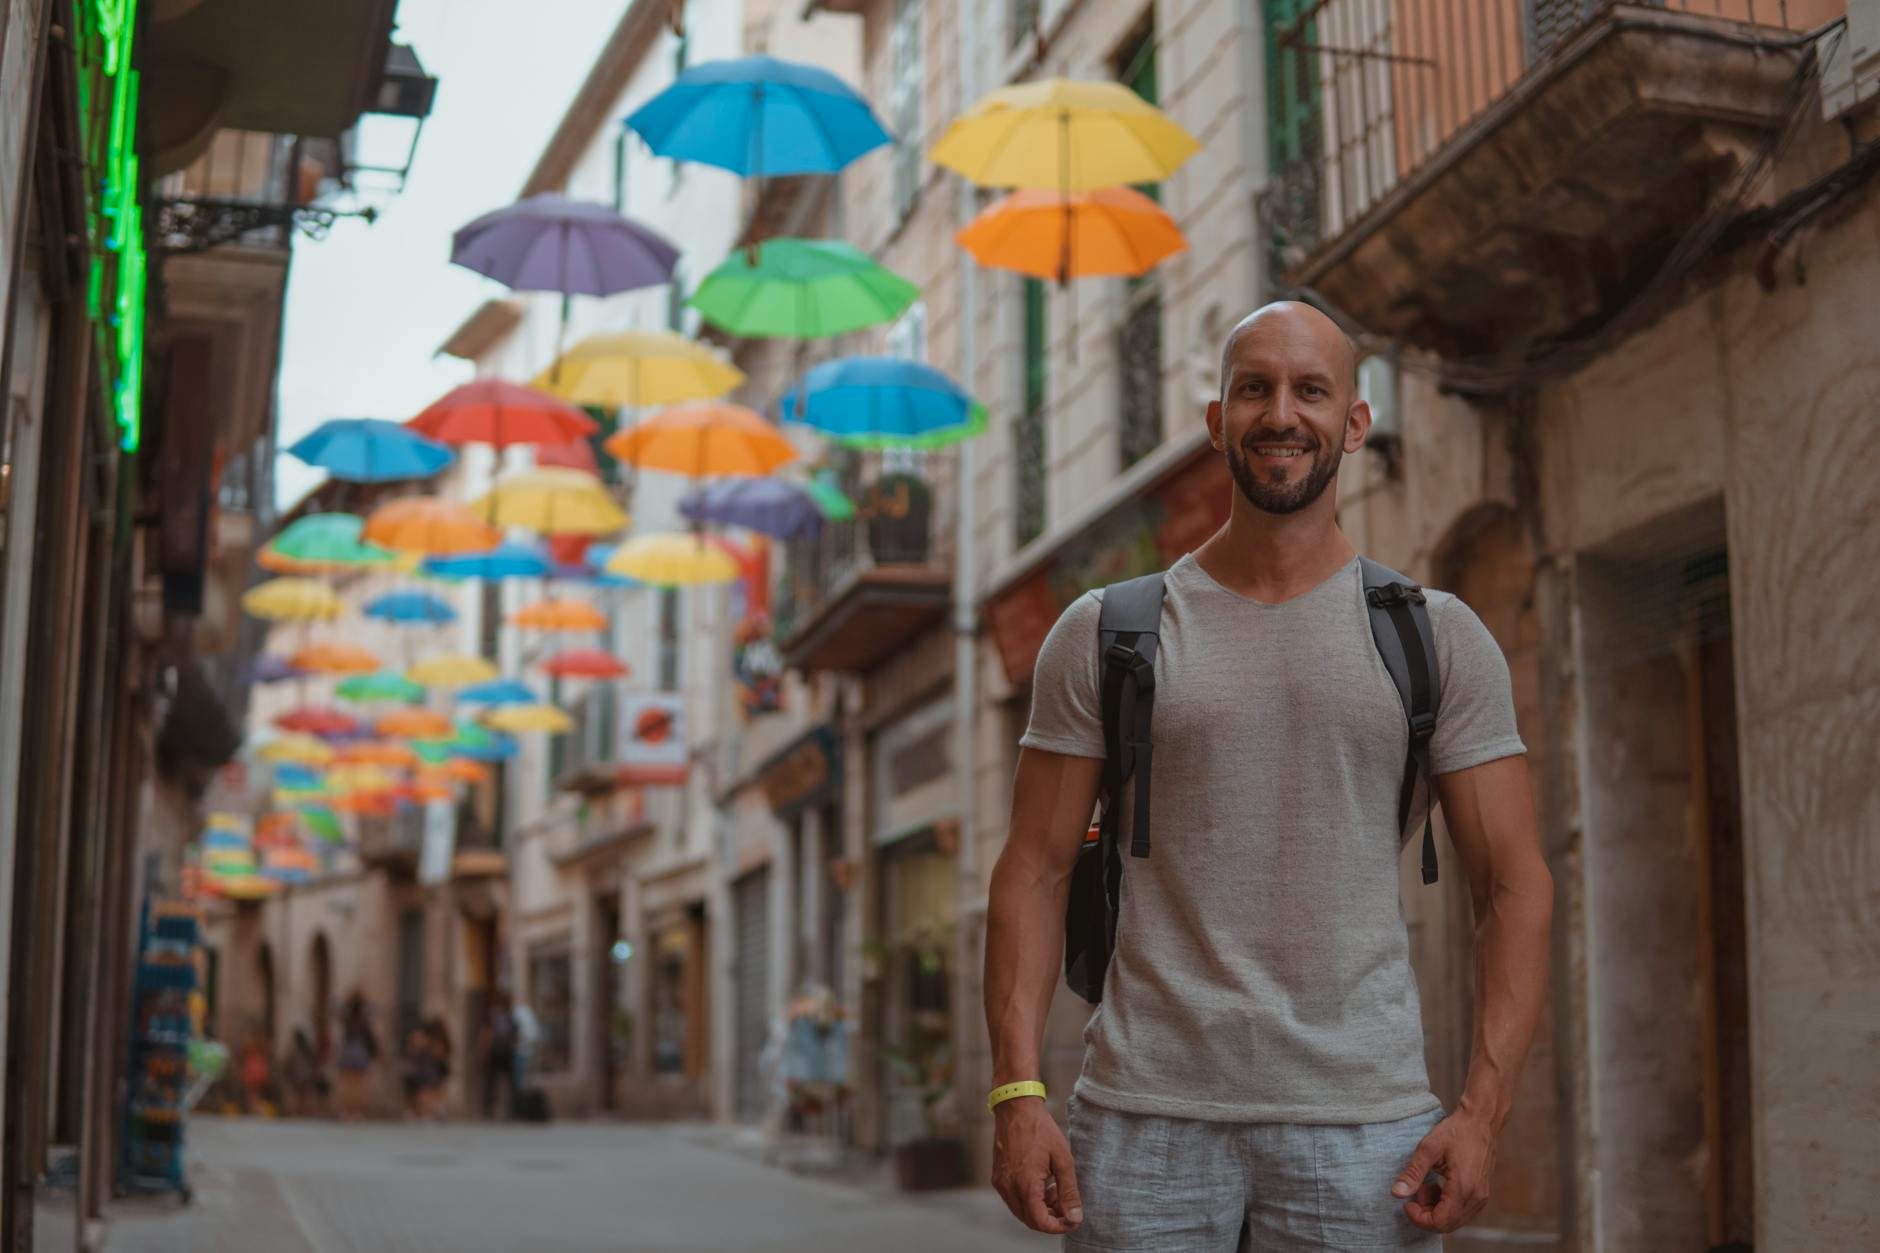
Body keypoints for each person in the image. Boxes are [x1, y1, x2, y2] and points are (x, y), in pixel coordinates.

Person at [984, 302, 1554, 1249]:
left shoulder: (1437, 635)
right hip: (1141, 1121)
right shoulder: (1107, 630)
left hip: (1366, 1127)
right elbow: (1033, 870)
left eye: (1310, 390)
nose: (1280, 413)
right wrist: (1016, 1092)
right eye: (1254, 388)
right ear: (1217, 420)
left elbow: (1514, 881)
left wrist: (1483, 1112)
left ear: (1355, 424)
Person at [334, 991, 378, 1121]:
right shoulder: (364, 1019)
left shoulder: (347, 1018)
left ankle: (347, 1112)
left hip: (348, 1052)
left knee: (347, 1085)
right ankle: (357, 1112)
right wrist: (365, 997)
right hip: (360, 1053)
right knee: (359, 1086)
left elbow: (336, 1008)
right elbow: (373, 1010)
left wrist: (349, 998)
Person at [479, 991, 519, 1120]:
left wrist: (483, 1052)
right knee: (509, 1083)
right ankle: (511, 1111)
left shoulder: (493, 1016)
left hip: (496, 1053)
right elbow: (516, 1037)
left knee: (492, 1083)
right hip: (507, 1053)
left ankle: (488, 1110)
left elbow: (486, 1035)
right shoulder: (509, 1017)